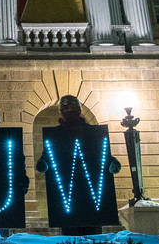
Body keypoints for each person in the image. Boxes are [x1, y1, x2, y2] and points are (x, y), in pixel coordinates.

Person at [36, 95, 120, 236]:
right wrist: (43, 163)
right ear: (62, 113)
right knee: (71, 234)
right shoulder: (56, 135)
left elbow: (102, 153)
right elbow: (47, 155)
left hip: (88, 202)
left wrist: (112, 162)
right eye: (66, 110)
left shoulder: (92, 133)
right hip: (70, 203)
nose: (70, 112)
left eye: (73, 110)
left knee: (93, 235)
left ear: (79, 111)